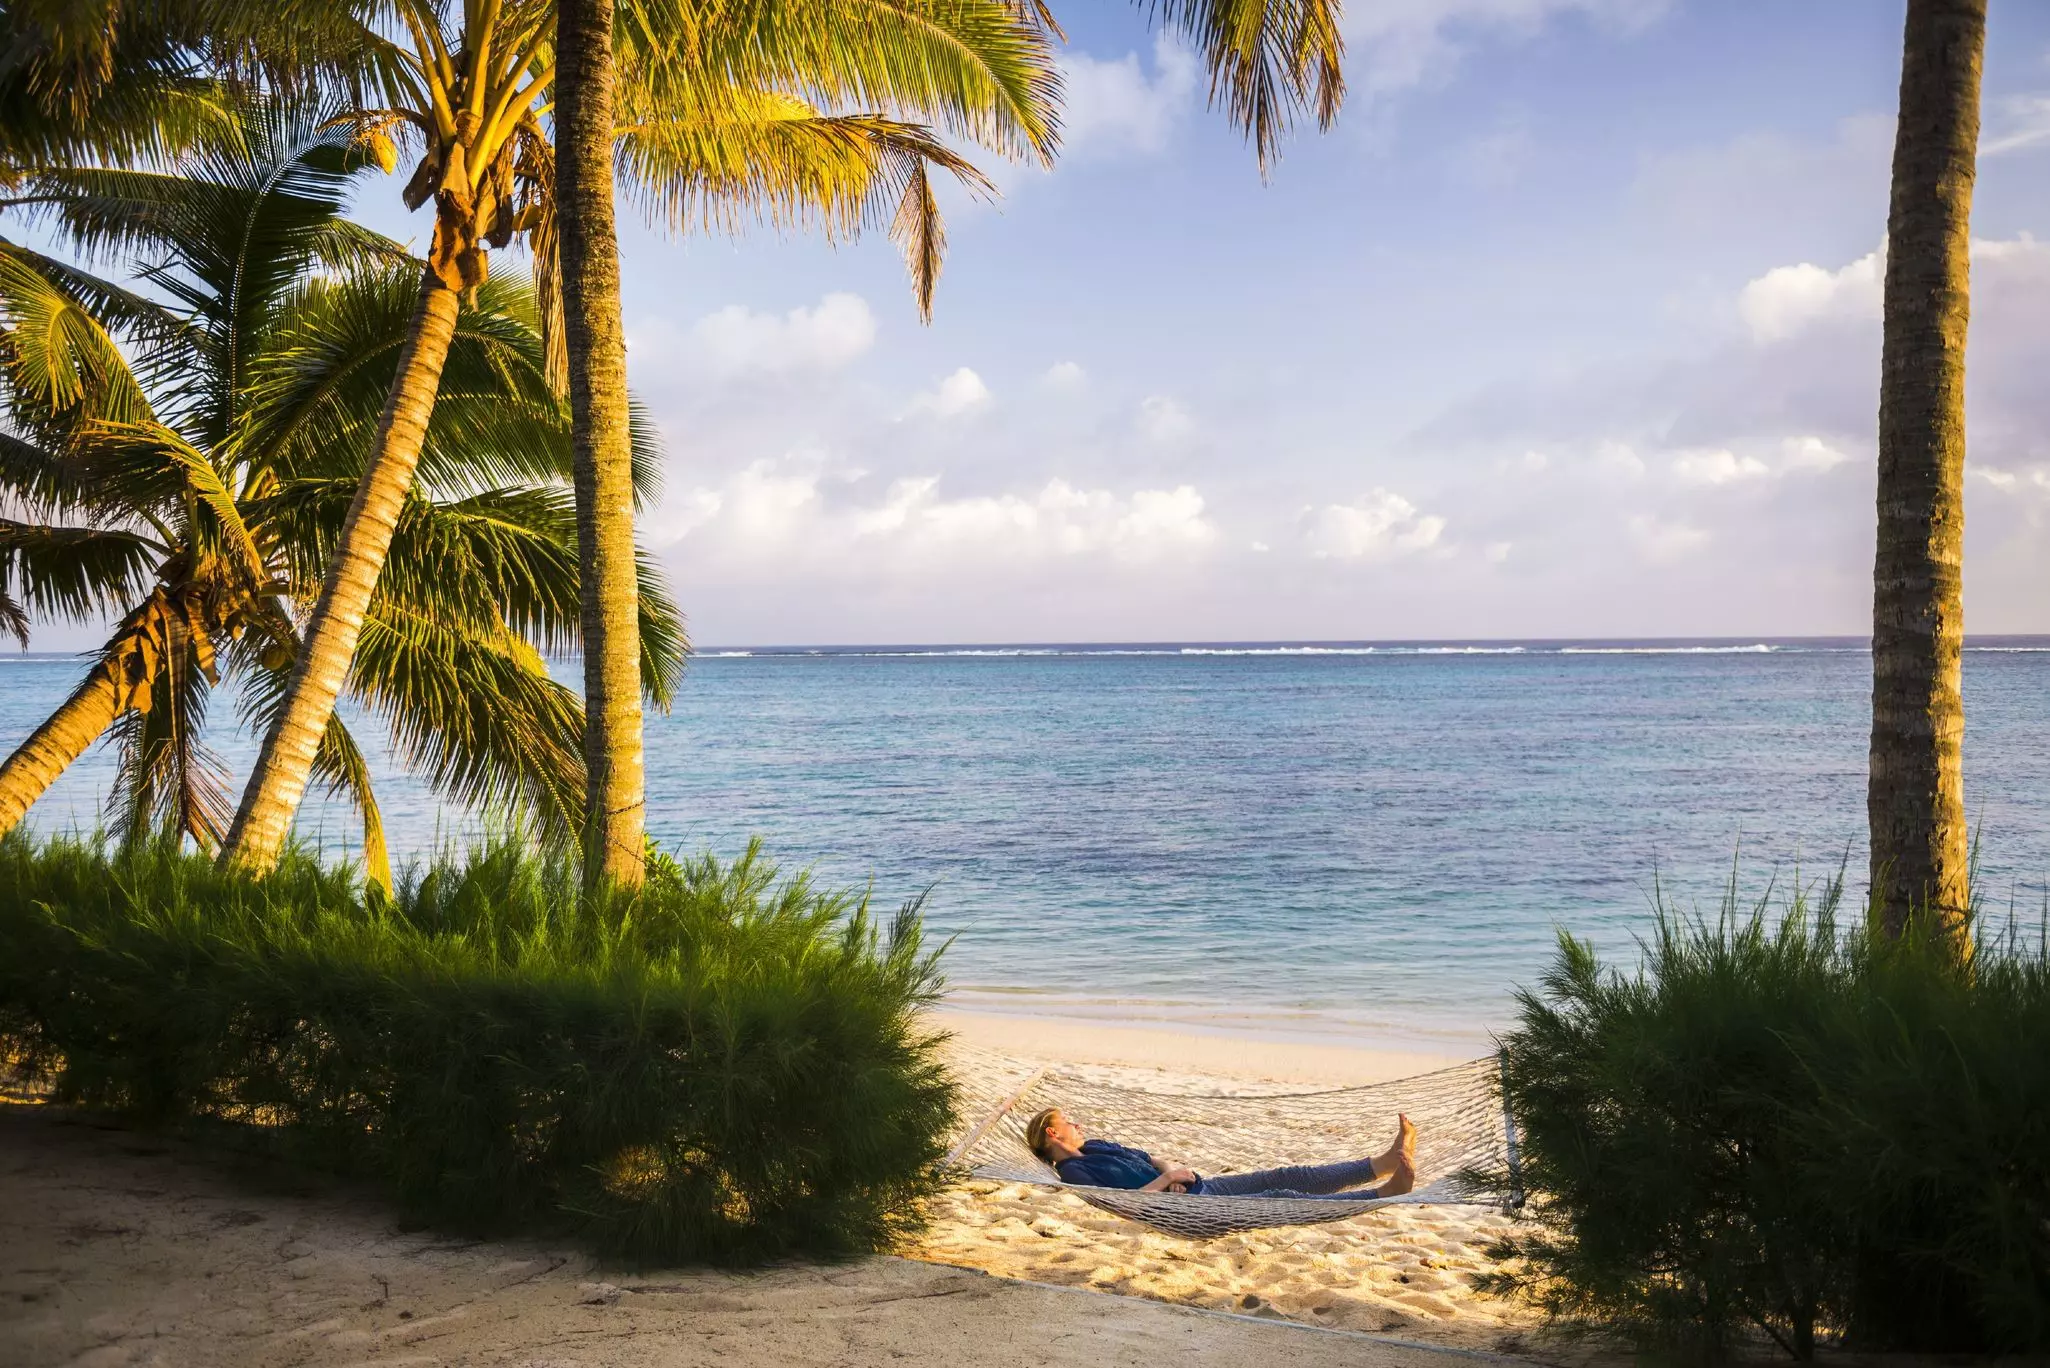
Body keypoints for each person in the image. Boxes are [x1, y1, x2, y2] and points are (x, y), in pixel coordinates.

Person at [1024, 1109, 1417, 1200]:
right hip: (1186, 1212)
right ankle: (1386, 1192)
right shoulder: (1073, 1172)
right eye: (1069, 1121)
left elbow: (1148, 1155)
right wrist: (1165, 1183)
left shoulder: (1094, 1146)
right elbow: (1128, 1204)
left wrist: (1170, 1169)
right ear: (1053, 1133)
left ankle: (1381, 1164)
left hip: (1198, 1187)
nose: (1079, 1125)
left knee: (1281, 1176)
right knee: (1281, 1201)